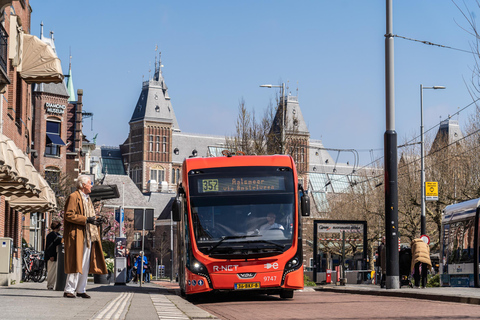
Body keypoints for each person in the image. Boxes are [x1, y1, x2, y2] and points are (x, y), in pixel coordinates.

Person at [63, 175, 107, 298]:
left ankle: (81, 289)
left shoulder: (87, 199)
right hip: (77, 234)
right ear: (83, 185)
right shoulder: (74, 197)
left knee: (85, 264)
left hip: (87, 235)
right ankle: (69, 290)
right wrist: (87, 219)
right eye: (90, 183)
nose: (91, 185)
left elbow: (89, 216)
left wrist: (96, 220)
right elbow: (68, 215)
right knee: (75, 262)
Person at [44, 221, 62, 290]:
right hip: (52, 256)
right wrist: (51, 255)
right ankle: (50, 285)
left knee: (53, 271)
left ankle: (52, 284)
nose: (60, 228)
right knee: (51, 271)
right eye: (59, 227)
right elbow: (50, 246)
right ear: (57, 227)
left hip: (56, 256)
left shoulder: (56, 234)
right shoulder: (52, 235)